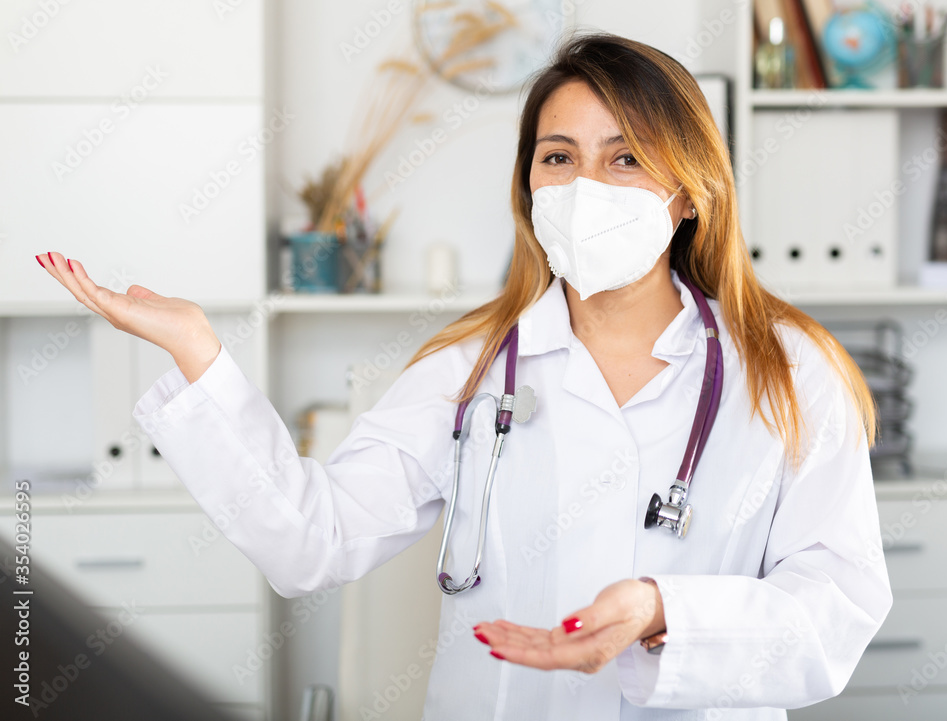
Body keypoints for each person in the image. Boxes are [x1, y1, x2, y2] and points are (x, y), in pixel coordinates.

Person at [36, 33, 891, 720]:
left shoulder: (789, 371)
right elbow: (311, 540)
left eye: (626, 158)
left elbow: (838, 605)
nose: (586, 186)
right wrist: (198, 351)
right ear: (529, 187)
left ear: (692, 189)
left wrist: (664, 611)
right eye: (558, 157)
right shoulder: (471, 368)